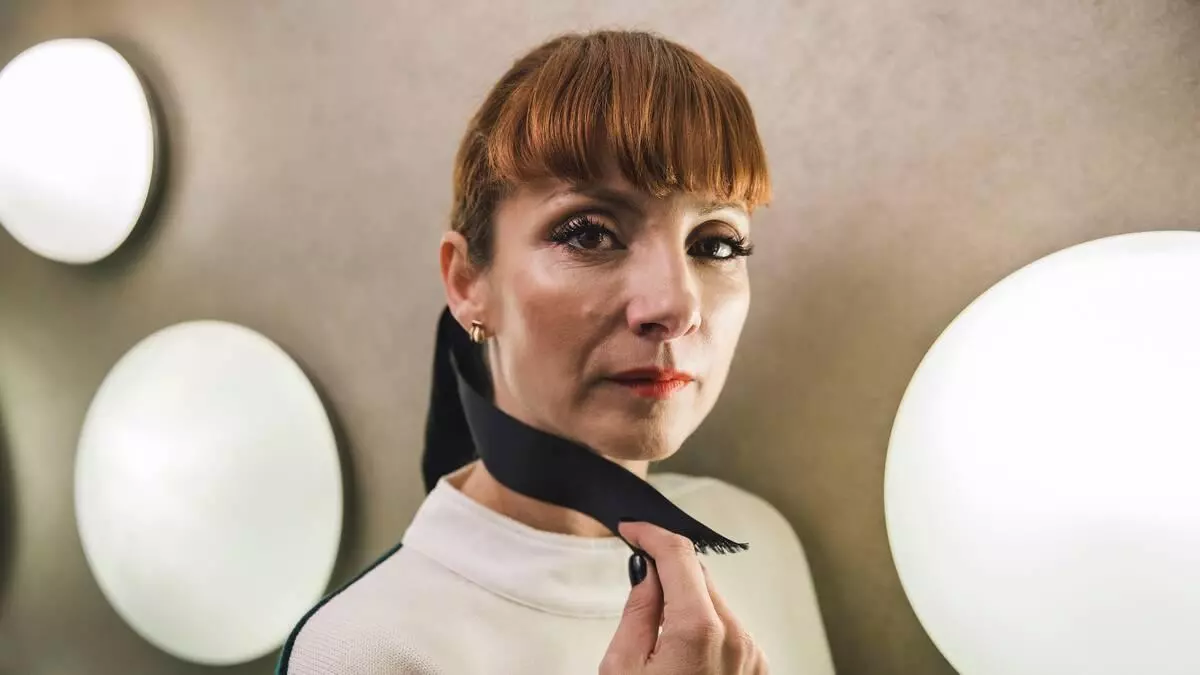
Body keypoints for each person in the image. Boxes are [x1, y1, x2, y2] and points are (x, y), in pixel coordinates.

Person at [278, 29, 833, 674]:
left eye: (715, 244)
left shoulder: (759, 541)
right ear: (468, 283)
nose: (676, 306)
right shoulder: (362, 651)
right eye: (589, 234)